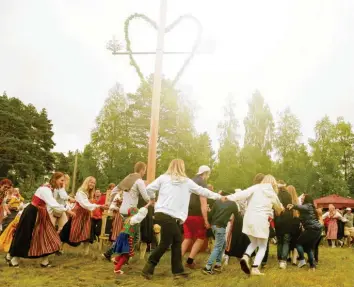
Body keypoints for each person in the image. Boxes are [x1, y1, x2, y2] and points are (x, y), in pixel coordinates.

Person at [141, 159, 223, 280]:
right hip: (168, 215)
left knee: (174, 242)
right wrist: (219, 197)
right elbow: (203, 191)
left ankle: (176, 271)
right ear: (182, 167)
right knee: (168, 242)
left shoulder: (163, 178)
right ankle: (150, 268)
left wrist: (153, 199)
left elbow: (148, 189)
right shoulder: (186, 182)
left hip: (161, 214)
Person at [9, 172, 75, 267]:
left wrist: (63, 190)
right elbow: (52, 203)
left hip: (42, 214)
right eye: (61, 180)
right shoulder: (45, 189)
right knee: (25, 236)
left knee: (48, 236)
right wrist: (67, 210)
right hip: (32, 213)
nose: (63, 183)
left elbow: (61, 197)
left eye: (64, 181)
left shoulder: (53, 190)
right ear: (54, 180)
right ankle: (14, 260)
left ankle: (45, 261)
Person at [226, 174, 283, 276]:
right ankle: (255, 268)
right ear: (273, 183)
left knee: (253, 242)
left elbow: (242, 194)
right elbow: (280, 207)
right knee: (262, 246)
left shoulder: (256, 187)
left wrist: (228, 197)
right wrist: (279, 209)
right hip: (261, 221)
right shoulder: (272, 194)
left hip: (248, 219)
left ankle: (245, 257)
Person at [103, 162, 150, 260]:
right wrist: (153, 201)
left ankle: (110, 253)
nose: (144, 173)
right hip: (131, 211)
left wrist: (109, 202)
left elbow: (114, 190)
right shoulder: (139, 181)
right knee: (135, 237)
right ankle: (123, 256)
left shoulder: (127, 178)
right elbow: (146, 197)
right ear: (142, 170)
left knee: (125, 234)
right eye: (144, 171)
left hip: (123, 210)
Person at [60, 177, 107, 255]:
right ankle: (60, 248)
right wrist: (99, 206)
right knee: (69, 230)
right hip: (78, 214)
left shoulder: (90, 193)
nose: (92, 184)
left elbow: (89, 205)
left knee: (87, 232)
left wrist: (101, 206)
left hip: (86, 215)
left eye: (94, 183)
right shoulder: (80, 192)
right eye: (91, 182)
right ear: (87, 182)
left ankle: (86, 252)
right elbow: (85, 204)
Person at [225, 174, 265, 260]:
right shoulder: (260, 190)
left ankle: (247, 257)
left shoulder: (252, 190)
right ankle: (250, 258)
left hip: (246, 218)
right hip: (250, 218)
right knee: (255, 240)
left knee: (250, 239)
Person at [182, 165, 211, 269]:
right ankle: (190, 261)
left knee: (187, 238)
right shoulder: (202, 183)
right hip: (197, 215)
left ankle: (176, 261)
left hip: (186, 214)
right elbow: (203, 203)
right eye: (208, 174)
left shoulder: (189, 181)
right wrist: (206, 220)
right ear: (205, 173)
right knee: (200, 238)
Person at [202, 192, 238, 275]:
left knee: (223, 244)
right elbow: (237, 215)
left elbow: (211, 214)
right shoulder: (232, 204)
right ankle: (207, 267)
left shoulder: (217, 202)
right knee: (218, 246)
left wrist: (208, 223)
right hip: (220, 227)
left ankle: (217, 265)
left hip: (214, 226)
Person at [113, 202, 152, 275]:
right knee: (126, 254)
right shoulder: (133, 220)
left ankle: (116, 259)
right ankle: (117, 269)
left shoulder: (128, 219)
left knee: (125, 253)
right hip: (126, 237)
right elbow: (141, 214)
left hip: (123, 236)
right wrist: (148, 205)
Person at [287, 194, 322, 271]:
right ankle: (312, 267)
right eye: (301, 199)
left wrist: (293, 206)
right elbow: (302, 217)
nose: (301, 200)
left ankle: (302, 260)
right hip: (316, 229)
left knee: (298, 243)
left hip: (312, 229)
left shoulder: (308, 206)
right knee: (308, 248)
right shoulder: (308, 208)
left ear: (307, 199)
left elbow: (301, 207)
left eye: (303, 199)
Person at [274, 181, 293, 269]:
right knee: (286, 241)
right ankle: (283, 261)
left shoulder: (276, 195)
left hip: (279, 219)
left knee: (280, 241)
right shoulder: (289, 195)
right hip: (288, 219)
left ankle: (279, 258)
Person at [287, 185, 301, 265]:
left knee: (288, 240)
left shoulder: (287, 200)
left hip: (289, 221)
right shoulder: (297, 201)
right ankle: (294, 259)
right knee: (295, 241)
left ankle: (288, 256)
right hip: (296, 221)